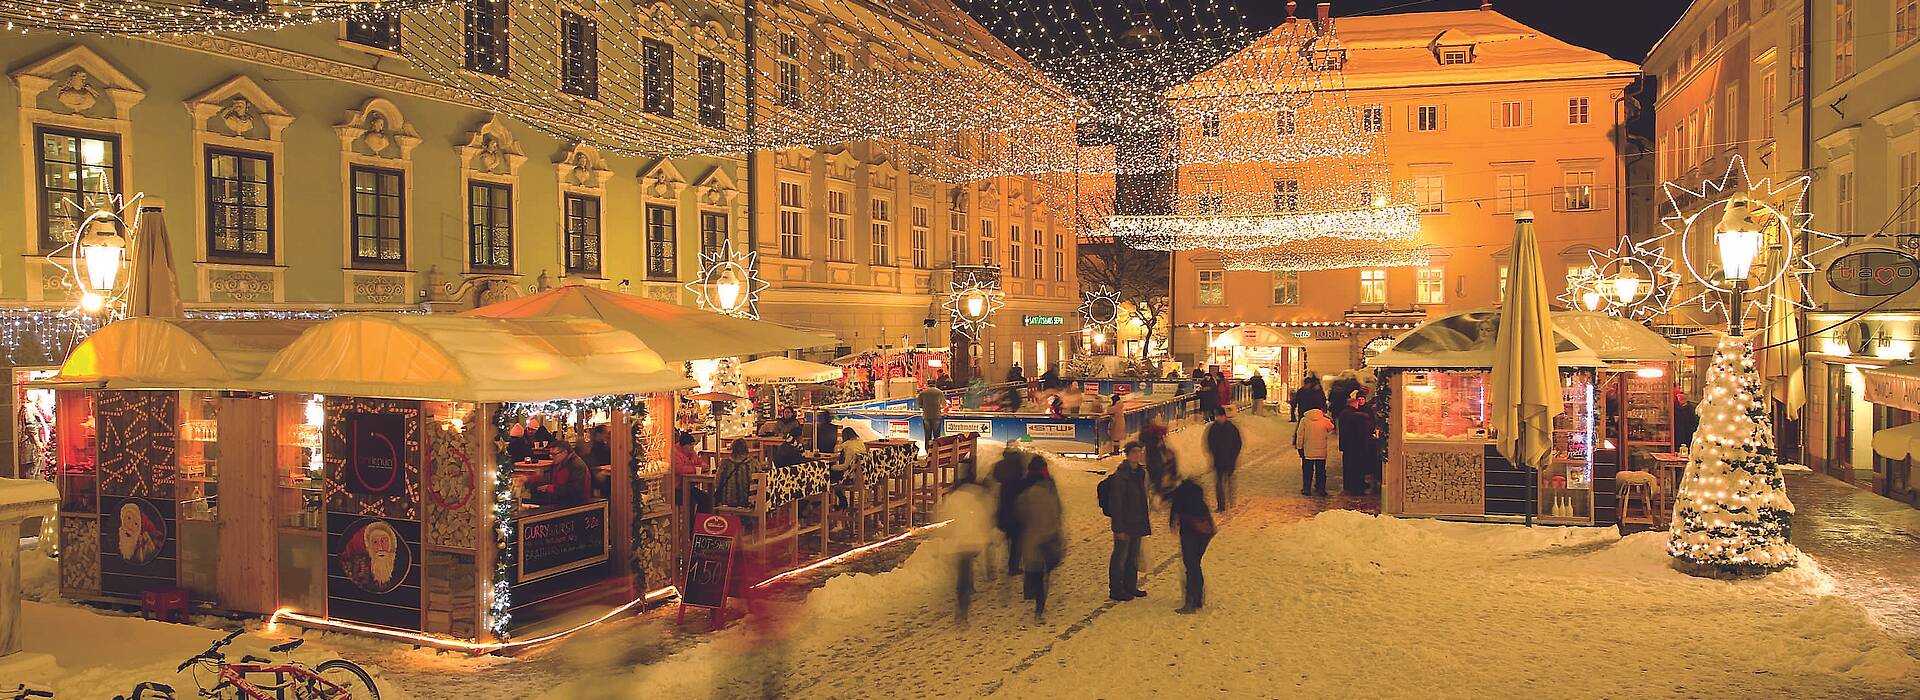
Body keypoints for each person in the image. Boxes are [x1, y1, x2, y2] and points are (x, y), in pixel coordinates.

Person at [934, 471, 994, 623]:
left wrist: (944, 537)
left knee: (963, 574)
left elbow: (943, 519)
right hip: (974, 541)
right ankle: (964, 603)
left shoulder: (954, 498)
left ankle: (962, 608)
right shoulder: (978, 495)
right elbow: (986, 516)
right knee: (967, 569)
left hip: (960, 542)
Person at [1015, 455, 1064, 622]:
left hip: (1032, 537)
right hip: (1048, 536)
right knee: (1044, 573)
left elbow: (1020, 513)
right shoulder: (1049, 489)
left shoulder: (1026, 490)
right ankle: (1039, 607)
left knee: (1034, 571)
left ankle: (1032, 594)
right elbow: (1057, 511)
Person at [1100, 442, 1151, 601]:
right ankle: (1115, 589)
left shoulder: (1140, 473)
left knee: (1133, 556)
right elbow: (1117, 503)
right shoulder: (1121, 477)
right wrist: (1118, 527)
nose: (1138, 455)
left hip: (1136, 520)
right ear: (1127, 455)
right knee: (1120, 557)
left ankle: (1130, 585)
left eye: (1139, 451)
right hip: (1124, 522)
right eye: (1134, 452)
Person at [1163, 467, 1215, 614]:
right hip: (1206, 530)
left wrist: (1174, 523)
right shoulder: (1192, 489)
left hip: (1192, 531)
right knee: (1194, 565)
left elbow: (1169, 502)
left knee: (1191, 566)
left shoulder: (1180, 492)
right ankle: (1197, 599)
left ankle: (1191, 602)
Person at [991, 449, 1032, 576]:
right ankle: (1013, 566)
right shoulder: (1018, 467)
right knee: (1017, 539)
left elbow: (995, 476)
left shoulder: (1001, 467)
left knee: (1008, 536)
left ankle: (995, 565)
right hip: (1016, 510)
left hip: (1004, 506)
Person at [1337, 391, 1380, 496]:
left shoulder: (1345, 413)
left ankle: (1350, 485)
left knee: (1349, 466)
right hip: (1356, 446)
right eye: (1357, 401)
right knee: (1357, 467)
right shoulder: (1356, 416)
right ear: (1353, 403)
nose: (1359, 404)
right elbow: (1361, 430)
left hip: (1348, 445)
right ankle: (1357, 487)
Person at [532, 441, 592, 506]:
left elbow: (574, 491)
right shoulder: (558, 463)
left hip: (576, 504)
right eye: (550, 454)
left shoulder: (576, 466)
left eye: (554, 454)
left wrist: (551, 488)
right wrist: (528, 479)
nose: (551, 457)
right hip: (559, 501)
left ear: (565, 452)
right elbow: (547, 478)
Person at [1205, 410, 1243, 512]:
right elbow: (1209, 442)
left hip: (1229, 460)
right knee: (1219, 483)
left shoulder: (1231, 428)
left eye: (1219, 416)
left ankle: (1231, 501)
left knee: (1229, 481)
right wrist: (1213, 454)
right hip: (1218, 460)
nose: (1218, 418)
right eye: (1217, 416)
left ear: (1224, 416)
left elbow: (1238, 444)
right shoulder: (1213, 428)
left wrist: (1233, 456)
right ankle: (1221, 505)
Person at [1294, 403, 1334, 497]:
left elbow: (1300, 435)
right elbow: (1331, 427)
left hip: (1308, 450)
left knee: (1307, 470)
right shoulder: (1324, 420)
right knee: (1321, 470)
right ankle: (1321, 489)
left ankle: (1307, 488)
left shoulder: (1304, 420)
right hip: (1321, 451)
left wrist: (1300, 448)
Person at [715, 440, 756, 508]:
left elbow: (717, 483)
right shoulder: (754, 463)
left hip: (728, 502)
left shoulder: (725, 463)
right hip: (748, 502)